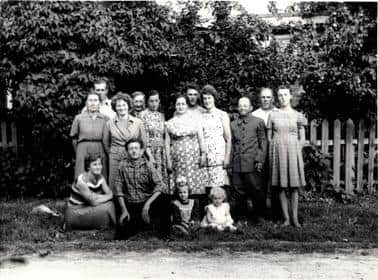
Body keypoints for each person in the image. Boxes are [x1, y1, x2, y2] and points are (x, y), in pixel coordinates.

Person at [114, 138, 171, 239]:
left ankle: (165, 234)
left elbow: (160, 185)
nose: (134, 151)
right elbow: (118, 189)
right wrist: (124, 210)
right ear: (127, 151)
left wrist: (147, 205)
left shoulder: (148, 165)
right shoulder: (122, 166)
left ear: (141, 151)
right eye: (131, 149)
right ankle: (137, 226)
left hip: (146, 201)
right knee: (122, 234)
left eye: (136, 148)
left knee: (165, 198)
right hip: (131, 203)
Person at [267, 86, 307, 228]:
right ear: (277, 98)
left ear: (290, 96)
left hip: (293, 151)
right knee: (281, 187)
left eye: (285, 95)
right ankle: (286, 219)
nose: (283, 97)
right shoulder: (273, 115)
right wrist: (275, 148)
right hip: (278, 151)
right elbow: (269, 137)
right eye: (280, 95)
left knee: (294, 187)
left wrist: (296, 148)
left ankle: (295, 219)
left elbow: (302, 137)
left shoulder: (297, 115)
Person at [230, 97, 267, 222]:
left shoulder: (258, 122)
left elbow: (263, 142)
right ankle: (242, 217)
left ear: (251, 108)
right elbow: (232, 145)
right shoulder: (233, 124)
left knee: (256, 190)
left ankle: (259, 216)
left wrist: (259, 160)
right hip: (237, 163)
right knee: (239, 192)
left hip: (252, 163)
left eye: (245, 105)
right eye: (240, 105)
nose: (242, 108)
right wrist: (230, 163)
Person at [102, 92, 148, 191]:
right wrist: (112, 153)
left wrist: (138, 155)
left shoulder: (138, 122)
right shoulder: (109, 124)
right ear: (115, 107)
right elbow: (105, 143)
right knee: (115, 184)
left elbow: (144, 142)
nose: (121, 107)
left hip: (133, 156)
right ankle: (115, 205)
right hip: (115, 157)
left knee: (132, 184)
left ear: (128, 106)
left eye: (124, 105)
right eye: (118, 105)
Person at [165, 94, 207, 196]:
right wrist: (168, 160)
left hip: (193, 158)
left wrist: (203, 154)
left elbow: (201, 138)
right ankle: (179, 209)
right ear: (175, 106)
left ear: (187, 105)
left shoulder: (195, 120)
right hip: (178, 160)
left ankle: (195, 209)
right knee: (180, 185)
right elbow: (166, 143)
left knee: (195, 184)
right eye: (178, 104)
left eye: (183, 104)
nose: (180, 106)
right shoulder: (169, 123)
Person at [64, 154, 116, 230]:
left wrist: (97, 196)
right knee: (107, 207)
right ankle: (114, 227)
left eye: (100, 164)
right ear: (88, 167)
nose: (98, 167)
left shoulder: (101, 177)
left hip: (88, 207)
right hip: (75, 211)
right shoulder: (82, 181)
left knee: (110, 204)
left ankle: (112, 226)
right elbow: (94, 202)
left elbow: (109, 194)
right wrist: (106, 196)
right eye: (95, 165)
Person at [252, 87, 280, 220]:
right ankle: (260, 214)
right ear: (259, 99)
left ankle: (276, 214)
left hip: (275, 153)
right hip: (260, 154)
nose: (265, 100)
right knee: (260, 185)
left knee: (275, 184)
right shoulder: (255, 114)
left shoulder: (278, 113)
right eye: (263, 97)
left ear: (273, 98)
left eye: (268, 97)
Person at [70, 91, 109, 179]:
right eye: (90, 100)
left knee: (100, 175)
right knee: (81, 175)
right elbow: (74, 138)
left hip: (100, 147)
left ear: (99, 103)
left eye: (95, 100)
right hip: (82, 148)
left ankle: (100, 192)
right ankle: (81, 192)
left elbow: (108, 138)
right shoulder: (79, 118)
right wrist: (78, 152)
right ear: (86, 103)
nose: (93, 103)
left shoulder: (105, 119)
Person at [201, 85, 231, 192]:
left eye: (209, 98)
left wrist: (227, 157)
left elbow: (228, 138)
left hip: (219, 156)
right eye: (205, 98)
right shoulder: (201, 116)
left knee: (219, 190)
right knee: (207, 190)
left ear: (214, 98)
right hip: (206, 157)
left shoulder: (222, 114)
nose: (207, 101)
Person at [139, 90, 168, 190]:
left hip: (160, 152)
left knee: (161, 180)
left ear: (159, 101)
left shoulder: (161, 115)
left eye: (156, 100)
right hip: (149, 152)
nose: (154, 103)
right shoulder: (142, 115)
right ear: (147, 102)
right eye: (151, 101)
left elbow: (163, 135)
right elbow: (143, 137)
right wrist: (150, 156)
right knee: (150, 179)